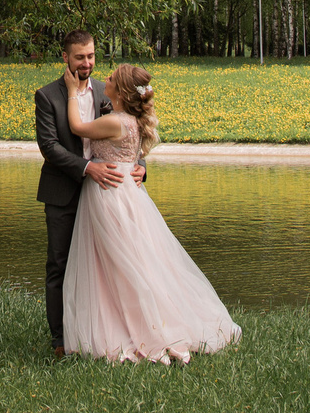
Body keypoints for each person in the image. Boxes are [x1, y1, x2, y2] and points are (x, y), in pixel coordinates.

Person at [60, 60, 241, 364]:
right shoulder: (130, 121)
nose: (107, 78)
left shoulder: (116, 121)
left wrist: (70, 92)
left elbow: (77, 127)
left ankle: (135, 329)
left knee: (121, 265)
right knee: (134, 260)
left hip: (110, 196)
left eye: (113, 78)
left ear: (121, 90)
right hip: (128, 194)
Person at [34, 31, 124, 356]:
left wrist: (140, 163)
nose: (86, 63)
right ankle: (60, 340)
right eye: (79, 57)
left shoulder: (106, 91)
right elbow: (49, 147)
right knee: (59, 266)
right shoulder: (47, 96)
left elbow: (128, 127)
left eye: (91, 56)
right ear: (65, 58)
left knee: (101, 267)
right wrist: (87, 168)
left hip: (103, 197)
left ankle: (95, 334)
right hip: (62, 194)